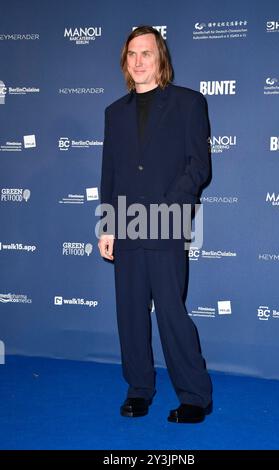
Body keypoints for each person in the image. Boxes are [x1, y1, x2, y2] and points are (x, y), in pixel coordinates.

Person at [98, 25, 212, 423]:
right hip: (125, 224)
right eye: (132, 54)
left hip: (166, 222)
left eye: (146, 53)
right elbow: (109, 173)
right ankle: (139, 390)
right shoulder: (114, 113)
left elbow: (198, 166)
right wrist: (107, 225)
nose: (139, 61)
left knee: (170, 312)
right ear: (125, 62)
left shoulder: (188, 103)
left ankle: (196, 395)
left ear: (160, 58)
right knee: (129, 313)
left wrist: (168, 207)